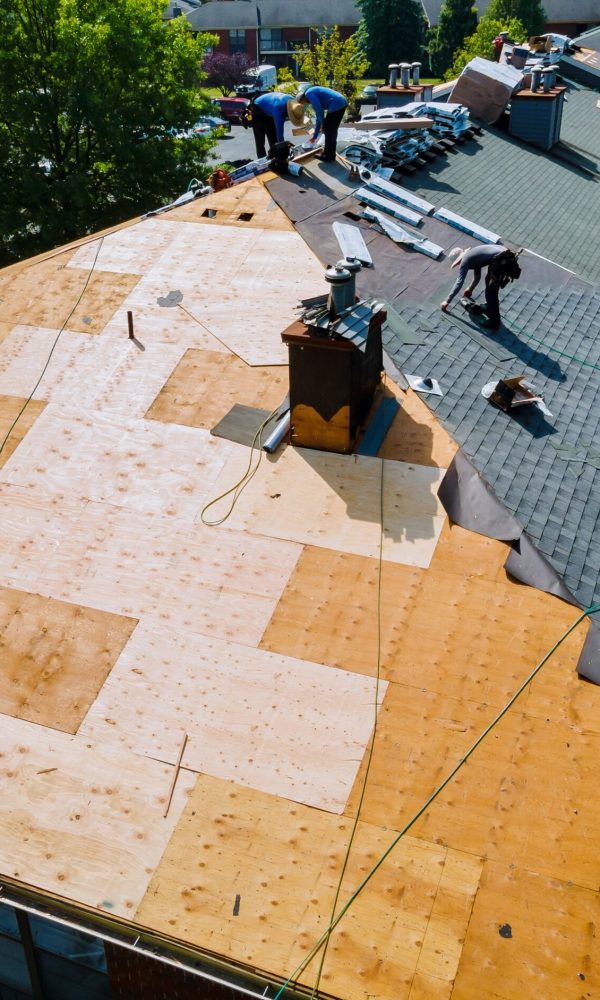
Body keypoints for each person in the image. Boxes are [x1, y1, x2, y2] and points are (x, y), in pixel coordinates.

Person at [441, 244, 521, 331]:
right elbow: (477, 276)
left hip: (501, 260)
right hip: (506, 257)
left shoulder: (465, 261)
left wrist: (447, 301)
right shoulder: (472, 255)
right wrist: (470, 289)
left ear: (458, 261)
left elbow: (459, 282)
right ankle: (490, 308)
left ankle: (494, 322)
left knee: (491, 291)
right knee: (489, 281)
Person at [291, 85, 348, 162]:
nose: (304, 105)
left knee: (329, 130)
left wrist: (320, 130)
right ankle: (330, 155)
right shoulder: (311, 97)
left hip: (336, 103)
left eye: (302, 103)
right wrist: (319, 130)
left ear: (302, 98)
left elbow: (320, 113)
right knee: (332, 130)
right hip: (341, 102)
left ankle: (328, 156)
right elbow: (319, 117)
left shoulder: (309, 93)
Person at [249, 91, 295, 159]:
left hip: (269, 107)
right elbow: (280, 136)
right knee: (260, 141)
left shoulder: (293, 102)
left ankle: (276, 157)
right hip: (257, 109)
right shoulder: (278, 112)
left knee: (273, 138)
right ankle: (262, 160)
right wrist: (284, 148)